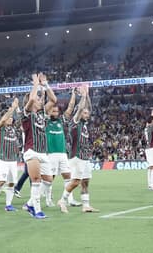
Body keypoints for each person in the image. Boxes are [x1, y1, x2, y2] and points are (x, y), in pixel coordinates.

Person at [59, 85, 98, 213]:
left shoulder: (84, 124)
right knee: (76, 181)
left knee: (85, 182)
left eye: (87, 113)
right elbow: (81, 107)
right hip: (76, 156)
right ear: (80, 114)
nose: (87, 115)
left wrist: (87, 95)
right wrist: (84, 96)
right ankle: (62, 200)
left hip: (85, 156)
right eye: (85, 113)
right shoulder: (74, 121)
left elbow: (88, 107)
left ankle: (86, 205)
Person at [22, 73, 54, 219]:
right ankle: (37, 210)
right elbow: (31, 100)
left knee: (48, 180)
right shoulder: (26, 114)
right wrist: (36, 85)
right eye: (37, 99)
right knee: (36, 180)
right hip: (31, 151)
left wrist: (45, 84)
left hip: (43, 152)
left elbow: (54, 100)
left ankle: (29, 204)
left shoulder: (42, 114)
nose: (40, 100)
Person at [45, 81, 76, 207]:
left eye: (56, 111)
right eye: (53, 111)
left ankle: (69, 199)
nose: (55, 113)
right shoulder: (46, 121)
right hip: (51, 154)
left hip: (62, 153)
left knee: (68, 176)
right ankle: (48, 199)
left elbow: (70, 109)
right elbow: (46, 108)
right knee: (50, 178)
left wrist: (73, 94)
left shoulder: (61, 121)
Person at [0, 99, 19, 212]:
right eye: (9, 117)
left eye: (11, 117)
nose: (11, 118)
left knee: (11, 183)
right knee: (1, 181)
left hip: (13, 160)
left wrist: (17, 109)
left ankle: (8, 205)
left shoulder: (14, 129)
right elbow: (2, 120)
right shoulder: (0, 129)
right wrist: (12, 108)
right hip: (3, 160)